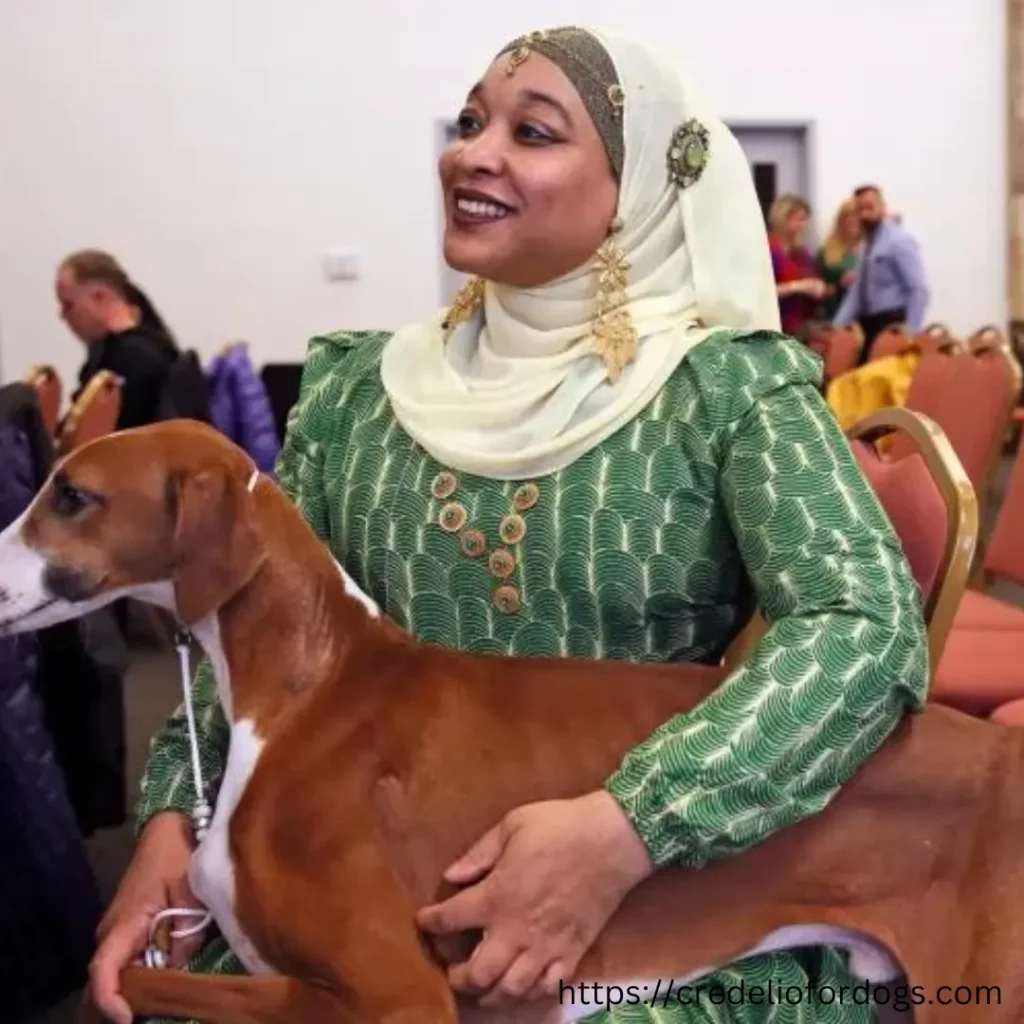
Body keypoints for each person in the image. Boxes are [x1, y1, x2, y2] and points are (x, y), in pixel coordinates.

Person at [87, 26, 929, 1024]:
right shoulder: (361, 392)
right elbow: (247, 621)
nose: (471, 152)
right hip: (355, 883)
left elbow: (861, 627)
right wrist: (177, 821)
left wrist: (632, 825)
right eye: (473, 119)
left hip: (650, 906)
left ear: (637, 191)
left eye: (531, 131)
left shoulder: (722, 389)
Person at [56, 250, 180, 431]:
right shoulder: (146, 347)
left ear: (100, 296)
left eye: (68, 305)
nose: (62, 316)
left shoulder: (132, 359)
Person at [832, 186, 929, 363]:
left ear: (882, 207)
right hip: (870, 325)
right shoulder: (867, 244)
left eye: (870, 207)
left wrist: (909, 333)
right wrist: (836, 327)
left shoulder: (899, 241)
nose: (864, 214)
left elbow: (919, 290)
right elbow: (857, 292)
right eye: (860, 209)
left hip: (893, 324)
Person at [767, 194, 828, 342]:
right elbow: (762, 293)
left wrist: (818, 287)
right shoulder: (768, 251)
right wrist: (798, 287)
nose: (804, 225)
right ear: (783, 219)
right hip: (775, 326)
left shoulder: (801, 253)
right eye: (799, 219)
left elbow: (812, 279)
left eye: (805, 219)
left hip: (800, 323)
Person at [817, 197, 863, 319]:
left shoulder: (872, 249)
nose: (854, 221)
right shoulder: (827, 251)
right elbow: (818, 289)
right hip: (835, 314)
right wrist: (839, 284)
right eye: (849, 217)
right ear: (841, 220)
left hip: (866, 316)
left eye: (858, 217)